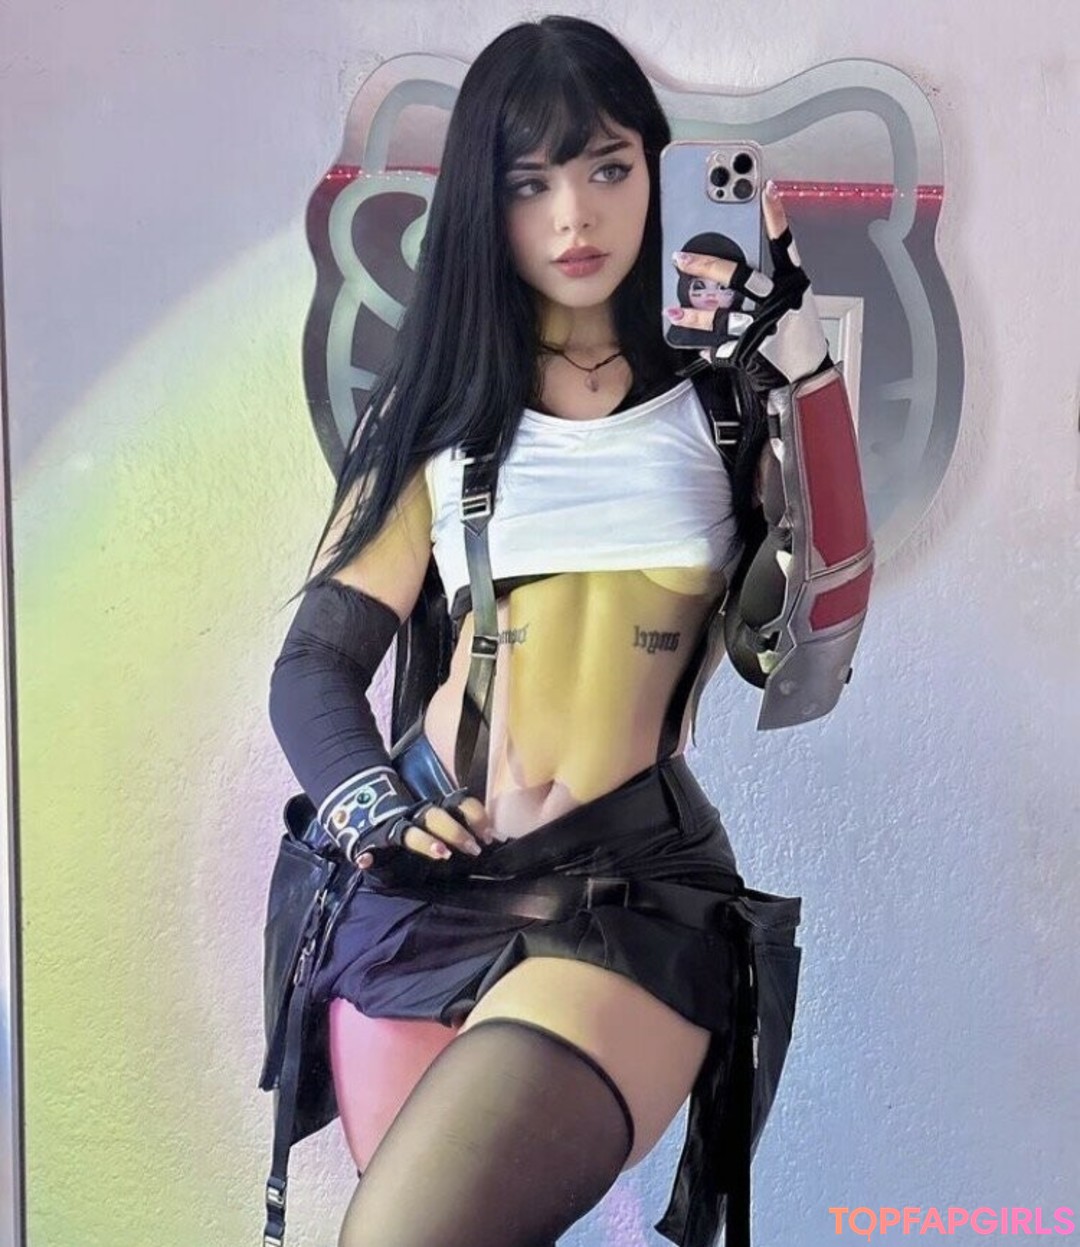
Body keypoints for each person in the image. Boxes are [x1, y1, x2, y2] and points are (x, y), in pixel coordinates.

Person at [268, 15, 872, 1247]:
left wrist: (802, 358)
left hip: (629, 901)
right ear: (481, 204)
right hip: (423, 890)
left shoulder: (724, 401)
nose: (574, 217)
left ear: (656, 166)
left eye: (606, 167)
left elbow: (823, 624)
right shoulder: (433, 411)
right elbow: (316, 664)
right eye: (528, 182)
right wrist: (370, 807)